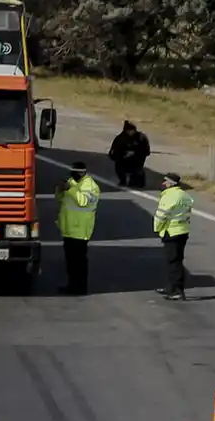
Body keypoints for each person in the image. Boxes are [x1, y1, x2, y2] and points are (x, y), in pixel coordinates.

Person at [57, 160, 100, 295]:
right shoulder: (72, 182)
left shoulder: (90, 186)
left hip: (81, 231)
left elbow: (83, 201)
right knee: (70, 262)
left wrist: (70, 188)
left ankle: (80, 288)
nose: (75, 174)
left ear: (84, 172)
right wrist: (60, 189)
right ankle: (72, 285)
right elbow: (60, 199)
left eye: (78, 172)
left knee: (79, 262)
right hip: (68, 229)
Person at [153, 172, 193, 300]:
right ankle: (171, 287)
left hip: (171, 231)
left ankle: (177, 291)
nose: (163, 183)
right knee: (177, 260)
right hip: (183, 231)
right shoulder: (185, 196)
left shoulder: (169, 197)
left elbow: (161, 215)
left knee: (173, 262)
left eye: (165, 181)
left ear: (171, 183)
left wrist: (157, 228)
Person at [108, 120, 150, 188]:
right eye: (129, 131)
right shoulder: (120, 138)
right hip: (123, 158)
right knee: (120, 168)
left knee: (136, 176)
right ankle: (123, 180)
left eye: (132, 130)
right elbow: (114, 150)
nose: (131, 132)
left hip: (137, 159)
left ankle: (139, 181)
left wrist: (135, 153)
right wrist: (121, 155)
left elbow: (146, 151)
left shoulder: (141, 138)